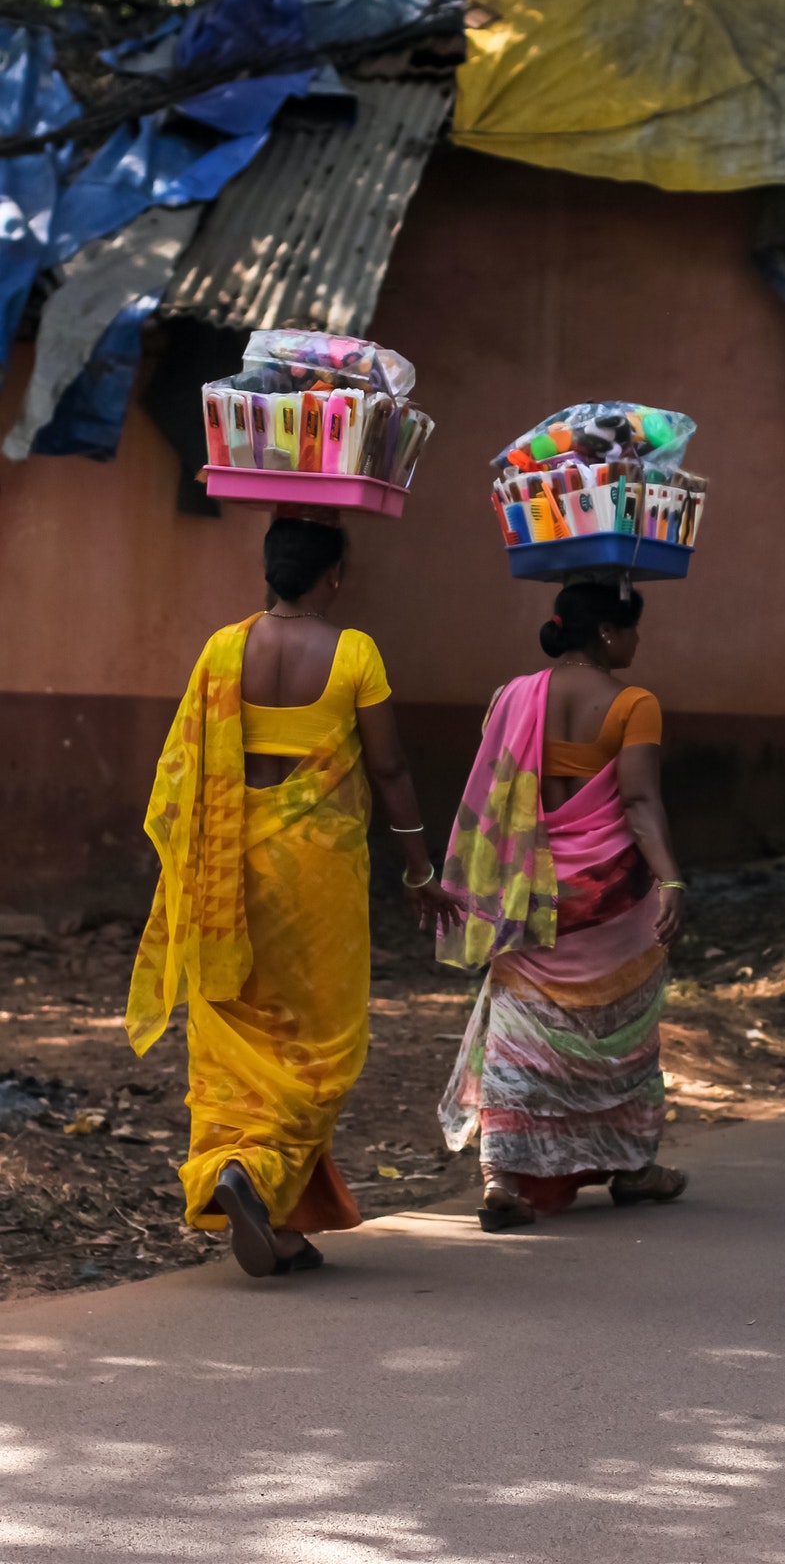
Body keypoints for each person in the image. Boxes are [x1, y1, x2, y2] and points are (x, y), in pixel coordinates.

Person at [124, 515, 456, 1279]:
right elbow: (393, 769)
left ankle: (248, 1184)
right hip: (315, 878)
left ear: (270, 572)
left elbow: (185, 767)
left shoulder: (222, 649)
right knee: (316, 1041)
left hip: (228, 876)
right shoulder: (354, 653)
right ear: (331, 575)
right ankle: (260, 1177)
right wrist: (418, 870)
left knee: (238, 1027)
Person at [438, 580, 688, 1231]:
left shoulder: (509, 699)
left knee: (517, 1037)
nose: (637, 641)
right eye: (632, 627)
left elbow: (500, 793)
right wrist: (671, 880)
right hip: (605, 905)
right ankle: (631, 1167)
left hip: (525, 894)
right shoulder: (635, 704)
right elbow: (638, 803)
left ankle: (500, 1173)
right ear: (607, 632)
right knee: (620, 1036)